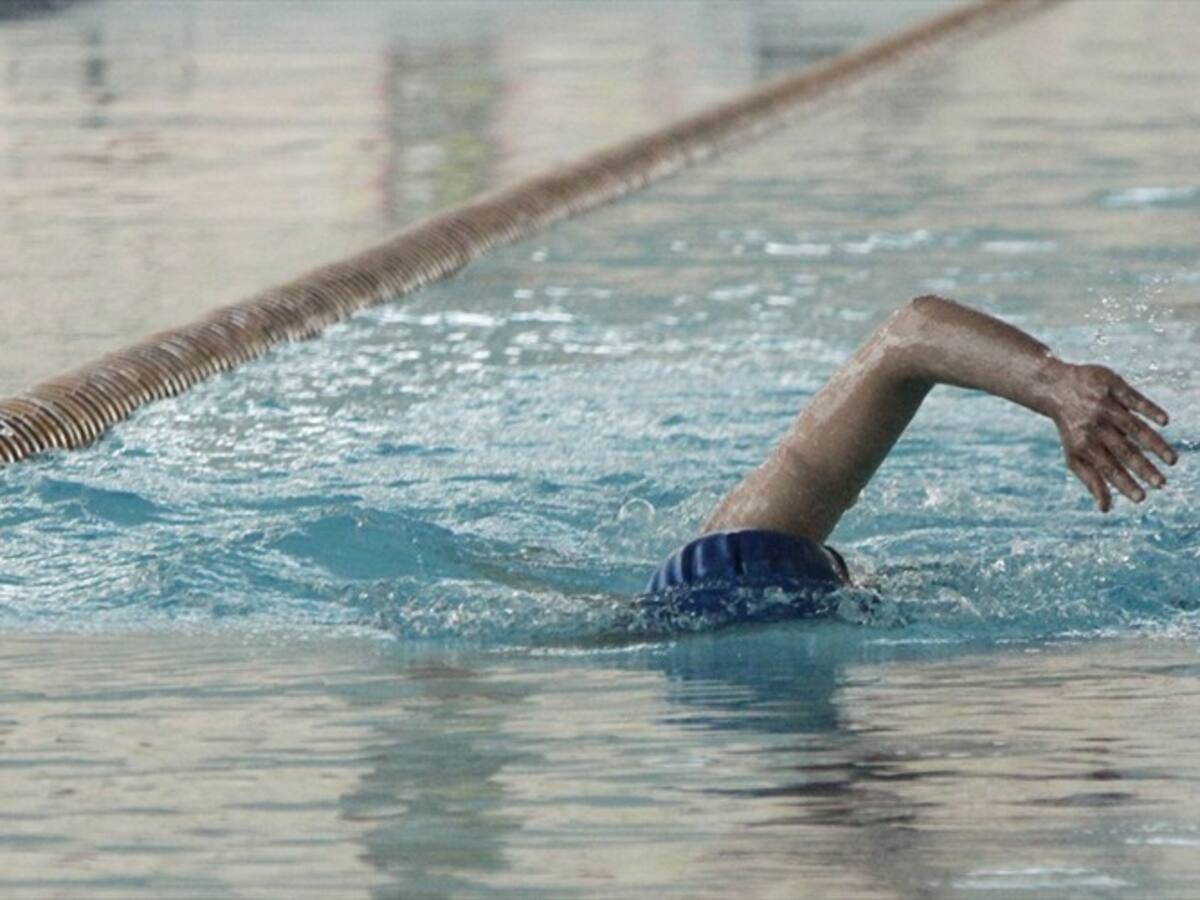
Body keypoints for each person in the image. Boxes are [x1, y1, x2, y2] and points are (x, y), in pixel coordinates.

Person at [646, 294, 1177, 621]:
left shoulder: (742, 544)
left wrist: (1057, 386)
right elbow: (913, 334)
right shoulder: (744, 534)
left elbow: (914, 332)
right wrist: (1054, 384)